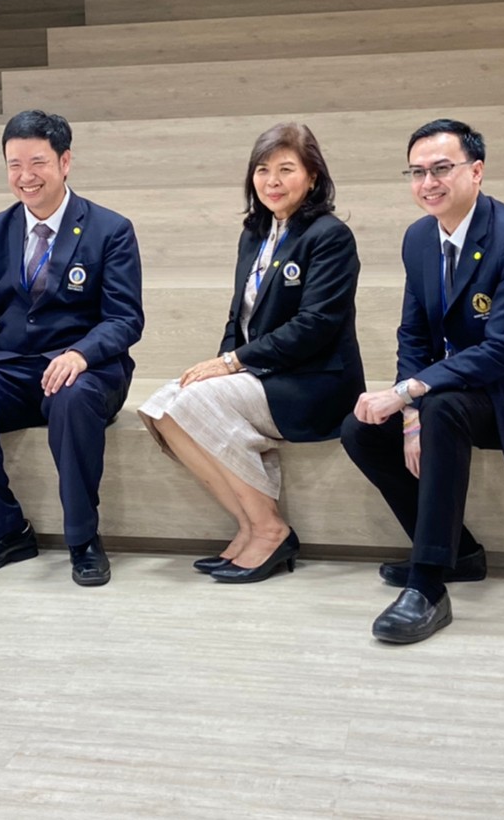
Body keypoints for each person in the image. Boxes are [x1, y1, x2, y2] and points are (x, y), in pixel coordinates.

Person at [341, 119, 504, 644]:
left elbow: (502, 351)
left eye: (441, 169)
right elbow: (413, 334)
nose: (428, 182)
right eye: (417, 172)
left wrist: (410, 393)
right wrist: (407, 414)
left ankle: (427, 586)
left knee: (442, 408)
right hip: (454, 387)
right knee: (361, 428)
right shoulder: (418, 238)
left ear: (476, 172)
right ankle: (461, 554)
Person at [139, 122, 365, 583]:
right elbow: (238, 319)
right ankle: (248, 524)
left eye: (286, 169)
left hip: (316, 382)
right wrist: (224, 363)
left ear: (313, 177)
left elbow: (315, 326)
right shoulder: (255, 234)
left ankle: (271, 530)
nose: (272, 181)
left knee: (194, 403)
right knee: (162, 407)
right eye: (263, 170)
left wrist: (231, 364)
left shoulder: (329, 236)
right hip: (265, 374)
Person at [0, 110, 144, 587]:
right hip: (13, 368)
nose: (25, 176)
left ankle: (83, 539)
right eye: (14, 165)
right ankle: (4, 532)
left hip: (87, 369)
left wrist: (80, 354)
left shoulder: (110, 229)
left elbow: (125, 319)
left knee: (72, 396)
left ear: (65, 162)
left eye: (38, 162)